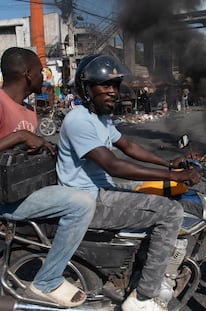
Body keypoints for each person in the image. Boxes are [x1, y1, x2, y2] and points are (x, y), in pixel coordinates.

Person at [55, 54, 201, 311]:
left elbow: (129, 146)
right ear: (86, 89)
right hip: (87, 201)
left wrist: (168, 165)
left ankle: (141, 266)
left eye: (115, 85)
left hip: (102, 190)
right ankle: (143, 297)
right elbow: (114, 164)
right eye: (105, 85)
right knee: (170, 212)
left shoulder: (100, 118)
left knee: (158, 194)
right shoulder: (78, 120)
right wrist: (174, 176)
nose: (113, 91)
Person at [0, 47, 96, 307]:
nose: (44, 77)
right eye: (41, 72)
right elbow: (15, 141)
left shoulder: (28, 109)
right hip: (4, 198)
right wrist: (20, 137)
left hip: (23, 189)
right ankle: (47, 281)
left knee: (84, 188)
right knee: (82, 203)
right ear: (26, 73)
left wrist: (41, 145)